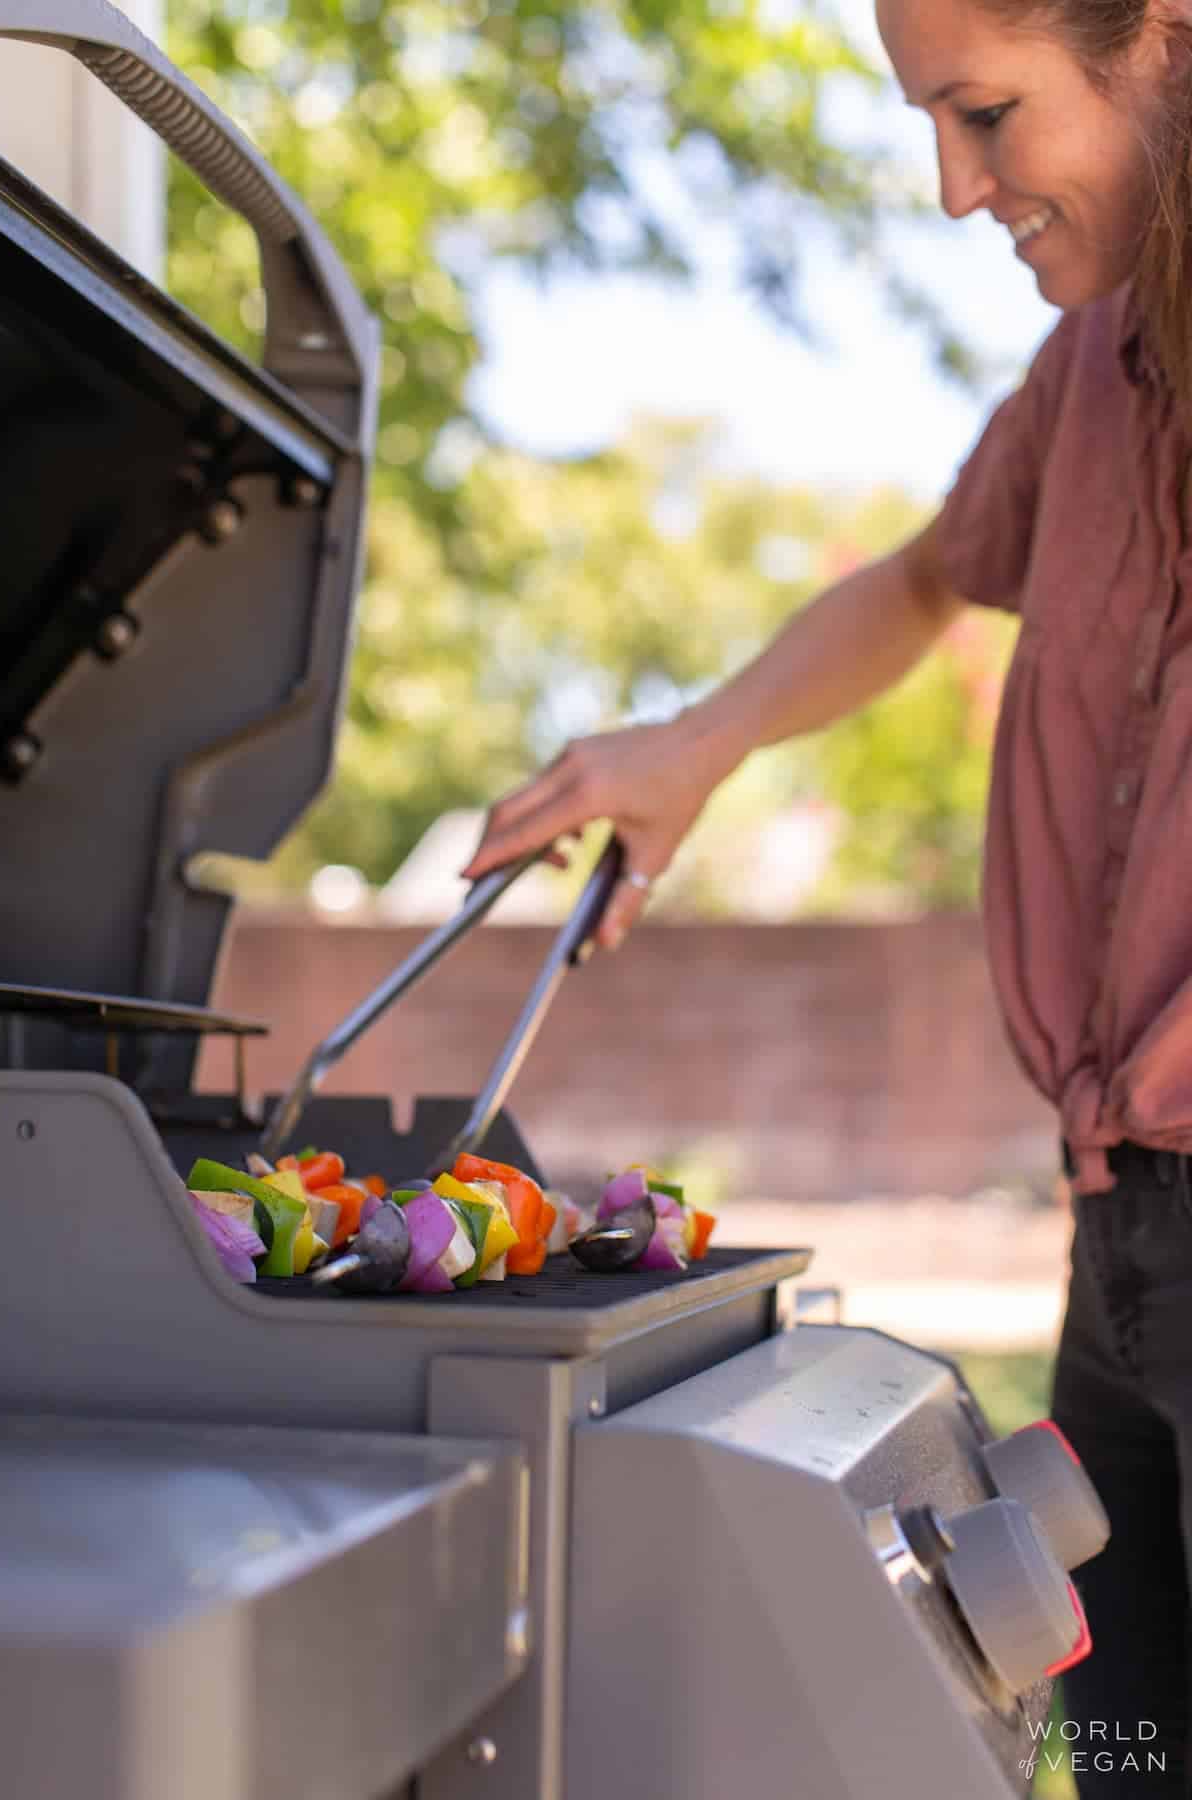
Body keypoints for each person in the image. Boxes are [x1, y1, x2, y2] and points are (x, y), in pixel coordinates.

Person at [459, 0, 1192, 1787]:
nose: (952, 188)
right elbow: (937, 574)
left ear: (1163, 43)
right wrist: (695, 745)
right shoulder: (1091, 362)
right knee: (1144, 1755)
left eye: (988, 114)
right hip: (1126, 1228)